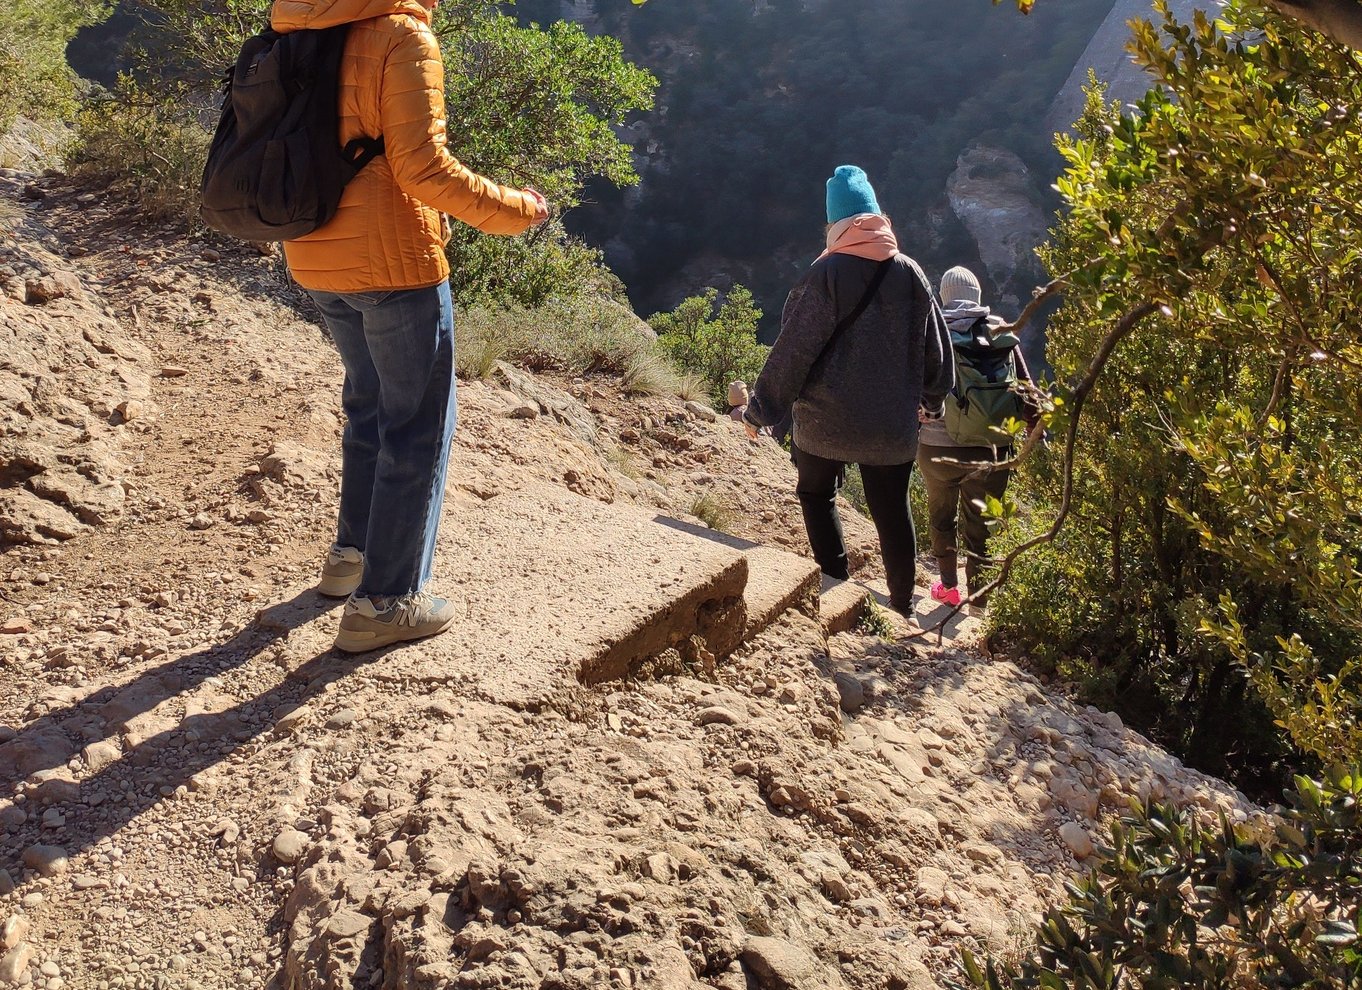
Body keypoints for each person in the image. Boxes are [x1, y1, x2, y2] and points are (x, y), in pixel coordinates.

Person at [270, 0, 550, 652]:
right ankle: (387, 601)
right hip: (391, 266)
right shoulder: (401, 33)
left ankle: (350, 559)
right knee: (417, 423)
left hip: (312, 252)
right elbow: (422, 168)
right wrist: (516, 209)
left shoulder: (297, 24)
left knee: (368, 404)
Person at [743, 165, 953, 613]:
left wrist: (761, 410)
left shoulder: (826, 274)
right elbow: (936, 349)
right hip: (892, 424)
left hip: (826, 421)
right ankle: (901, 603)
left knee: (817, 494)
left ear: (836, 224)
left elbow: (793, 350)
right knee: (893, 512)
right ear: (878, 218)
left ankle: (835, 581)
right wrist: (931, 402)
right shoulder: (911, 274)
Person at [917, 266, 1038, 610]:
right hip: (993, 449)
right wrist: (1034, 432)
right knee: (982, 523)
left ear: (943, 297)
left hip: (938, 447)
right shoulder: (1001, 332)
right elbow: (1025, 388)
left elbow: (916, 385)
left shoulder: (933, 331)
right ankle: (980, 598)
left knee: (942, 518)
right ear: (977, 296)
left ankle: (949, 588)